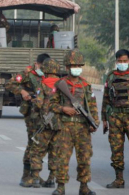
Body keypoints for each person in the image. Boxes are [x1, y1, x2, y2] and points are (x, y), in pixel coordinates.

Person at [50, 49, 99, 195]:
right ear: (67, 67)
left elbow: (92, 106)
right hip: (65, 127)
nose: (76, 68)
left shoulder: (86, 85)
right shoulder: (60, 84)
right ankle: (60, 187)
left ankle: (84, 187)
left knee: (85, 157)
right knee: (62, 157)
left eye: (79, 65)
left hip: (83, 128)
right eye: (73, 65)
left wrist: (94, 122)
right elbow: (51, 105)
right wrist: (63, 108)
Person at [102, 49, 129, 190]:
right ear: (116, 61)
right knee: (116, 149)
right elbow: (106, 99)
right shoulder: (111, 77)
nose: (122, 63)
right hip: (115, 119)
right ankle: (118, 180)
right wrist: (104, 119)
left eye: (125, 61)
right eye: (120, 61)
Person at [5, 53, 50, 187]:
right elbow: (10, 84)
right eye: (43, 66)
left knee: (42, 144)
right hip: (31, 112)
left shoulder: (47, 75)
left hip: (44, 113)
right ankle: (26, 176)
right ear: (37, 64)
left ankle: (35, 174)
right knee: (33, 142)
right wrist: (22, 92)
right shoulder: (27, 72)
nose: (44, 68)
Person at [21, 58, 61, 188]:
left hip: (43, 122)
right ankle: (51, 178)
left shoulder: (42, 84)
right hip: (59, 123)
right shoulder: (64, 84)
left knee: (37, 150)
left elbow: (39, 103)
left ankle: (36, 178)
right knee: (55, 150)